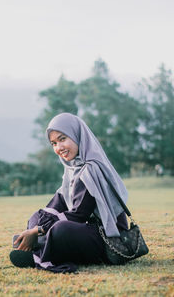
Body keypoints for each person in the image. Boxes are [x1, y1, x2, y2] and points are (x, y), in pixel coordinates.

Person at [9, 113, 129, 273]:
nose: (59, 147)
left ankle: (38, 250)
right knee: (38, 216)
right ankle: (41, 246)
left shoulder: (90, 169)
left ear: (78, 136)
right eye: (54, 143)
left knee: (61, 230)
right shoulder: (72, 170)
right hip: (86, 231)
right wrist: (36, 224)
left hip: (109, 238)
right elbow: (57, 204)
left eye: (63, 139)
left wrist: (36, 231)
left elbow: (78, 215)